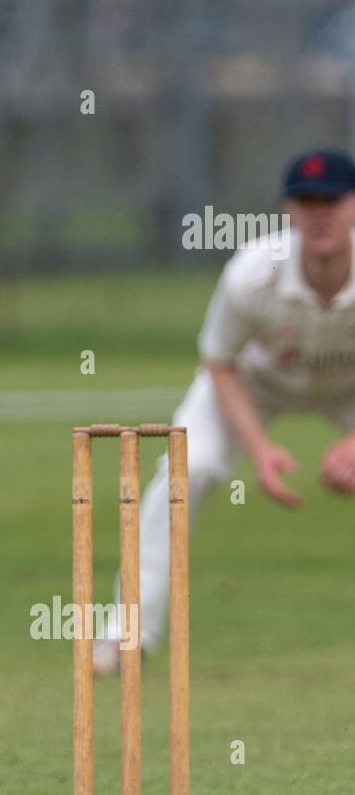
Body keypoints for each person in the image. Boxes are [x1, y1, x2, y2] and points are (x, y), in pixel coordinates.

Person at [95, 149, 355, 675]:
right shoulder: (253, 275)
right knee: (185, 470)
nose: (320, 213)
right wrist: (258, 450)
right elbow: (220, 362)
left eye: (332, 200)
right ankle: (127, 632)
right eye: (307, 202)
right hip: (256, 380)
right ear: (289, 211)